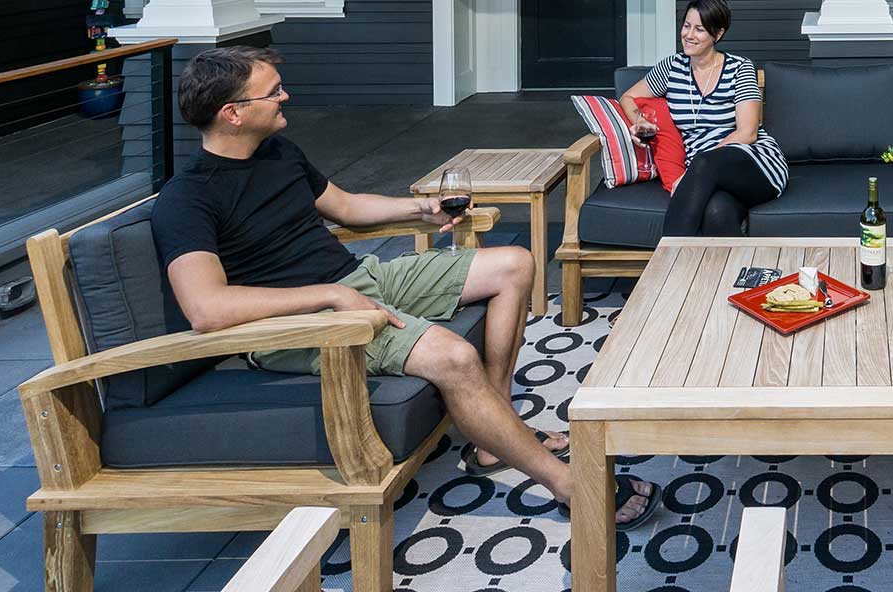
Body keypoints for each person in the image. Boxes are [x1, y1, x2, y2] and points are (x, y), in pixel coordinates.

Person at [151, 46, 656, 528]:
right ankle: (571, 488)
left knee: (514, 264)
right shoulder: (187, 197)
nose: (285, 97)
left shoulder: (277, 151)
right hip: (298, 324)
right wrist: (330, 297)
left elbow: (346, 208)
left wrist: (419, 208)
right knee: (454, 357)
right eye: (273, 92)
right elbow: (206, 307)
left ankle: (491, 436)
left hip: (357, 278)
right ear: (233, 113)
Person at [618, 0, 789, 237]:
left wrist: (692, 174)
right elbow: (628, 97)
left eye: (699, 29)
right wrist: (639, 121)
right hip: (705, 174)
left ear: (717, 34)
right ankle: (734, 274)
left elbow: (748, 132)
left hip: (753, 162)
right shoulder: (671, 68)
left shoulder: (739, 68)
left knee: (705, 161)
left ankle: (667, 264)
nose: (688, 34)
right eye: (686, 26)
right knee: (717, 213)